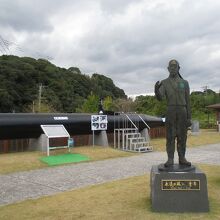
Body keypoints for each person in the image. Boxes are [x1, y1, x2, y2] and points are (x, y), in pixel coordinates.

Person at [155, 59, 191, 167]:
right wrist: (156, 91)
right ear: (168, 68)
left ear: (179, 68)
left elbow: (188, 101)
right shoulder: (164, 83)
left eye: (175, 66)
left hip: (182, 111)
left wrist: (189, 117)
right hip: (170, 111)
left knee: (182, 136)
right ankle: (170, 158)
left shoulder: (184, 83)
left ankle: (182, 157)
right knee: (170, 136)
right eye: (171, 66)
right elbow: (160, 97)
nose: (173, 68)